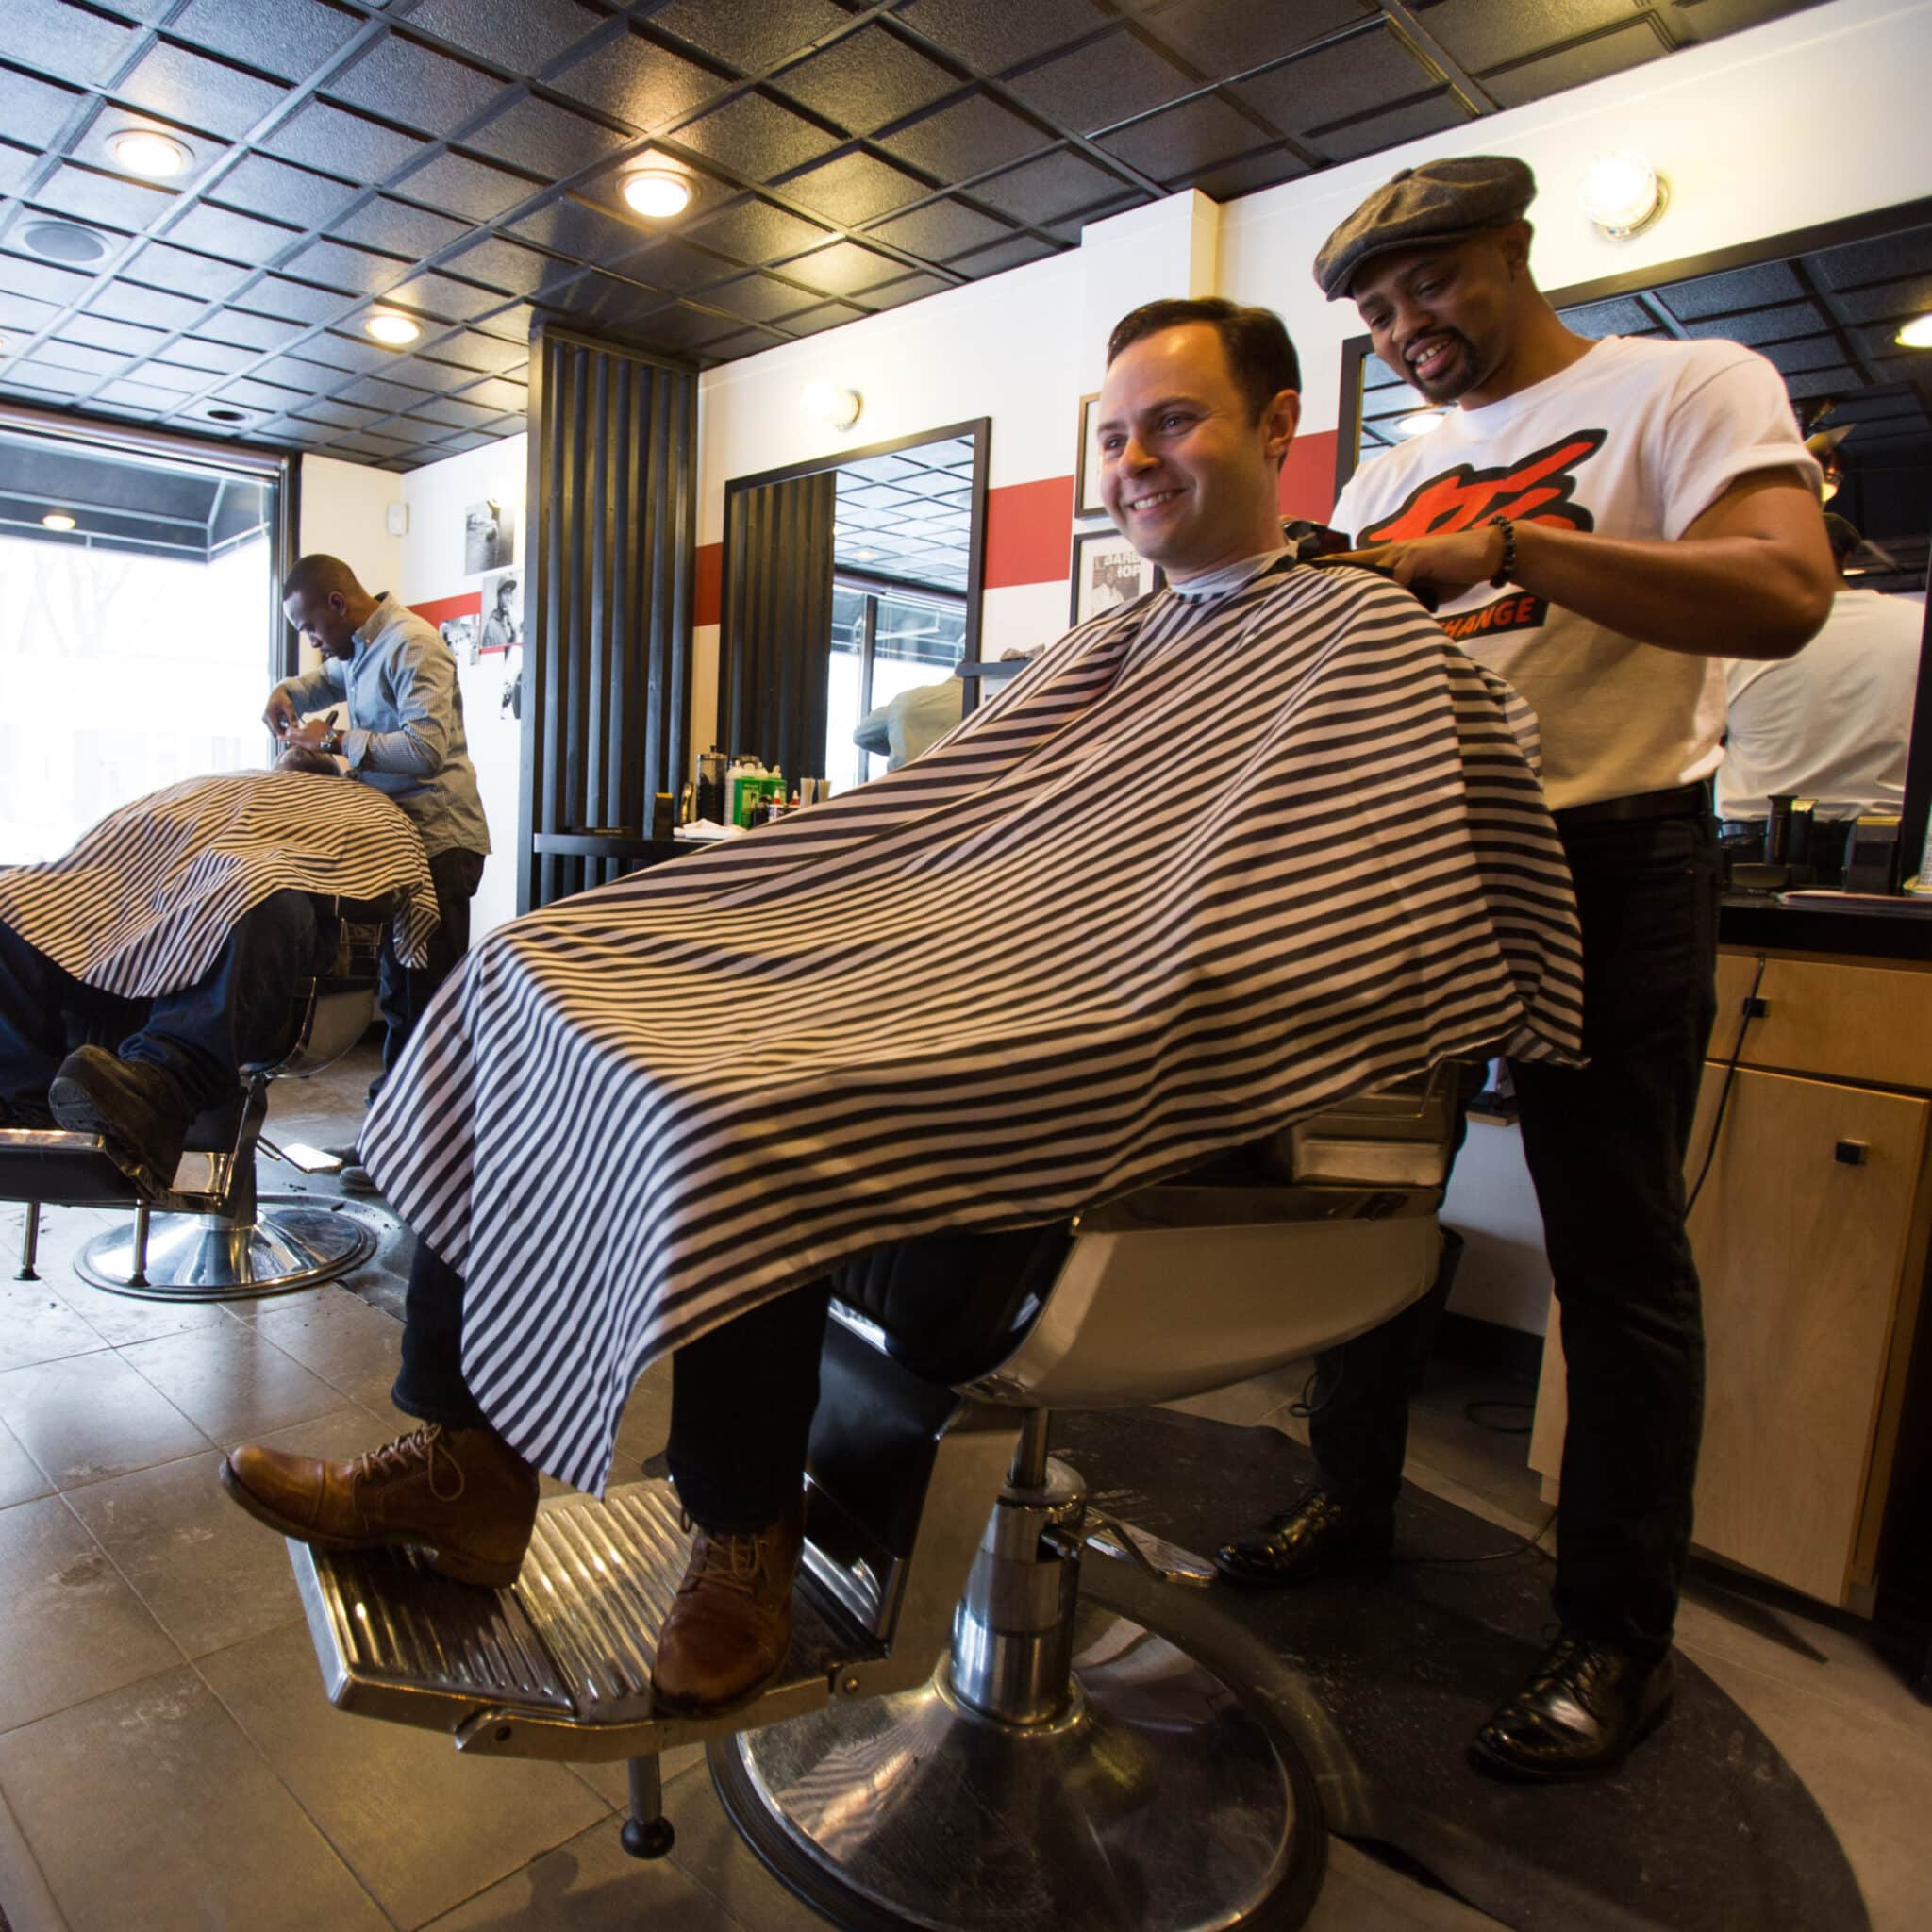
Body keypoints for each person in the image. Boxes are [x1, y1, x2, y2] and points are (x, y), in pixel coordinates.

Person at [220, 298, 1586, 1719]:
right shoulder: (1113, 645)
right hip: (966, 978)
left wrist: (1091, 966)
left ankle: (740, 1533)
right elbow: (941, 820)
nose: (1135, 461)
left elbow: (1399, 902)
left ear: (1280, 428)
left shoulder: (1364, 640)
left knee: (757, 1075)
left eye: (1173, 423)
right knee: (527, 972)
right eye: (1113, 436)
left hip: (1108, 1037)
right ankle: (465, 1460)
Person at [1213, 156, 1837, 1782]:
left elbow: (1783, 591)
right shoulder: (1387, 470)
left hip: (1614, 850)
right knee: (1362, 1196)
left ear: (1510, 248)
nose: (1404, 323)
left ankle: (1617, 1634)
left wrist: (1513, 553)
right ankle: (1351, 1492)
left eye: (1428, 283)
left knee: (1612, 1249)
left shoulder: (1686, 383)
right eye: (1373, 306)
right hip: (1414, 870)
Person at [0, 755, 436, 1186]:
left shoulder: (356, 803)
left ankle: (160, 1090)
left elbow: (402, 895)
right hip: (145, 937)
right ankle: (24, 1099)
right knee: (11, 893)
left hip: (255, 950)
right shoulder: (217, 790)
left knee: (259, 885)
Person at [266, 555, 491, 1167]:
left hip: (442, 842)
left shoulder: (413, 645)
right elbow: (328, 679)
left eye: (310, 628)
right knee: (400, 995)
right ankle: (392, 1142)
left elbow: (424, 750)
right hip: (406, 845)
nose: (312, 643)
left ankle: (424, 1157)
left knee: (424, 1004)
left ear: (337, 604)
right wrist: (285, 692)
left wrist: (332, 741)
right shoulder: (362, 649)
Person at [1717, 511, 1920, 833]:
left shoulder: (1735, 635)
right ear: (1846, 555)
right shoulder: (1917, 624)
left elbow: (1696, 741)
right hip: (1887, 834)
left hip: (1757, 839)